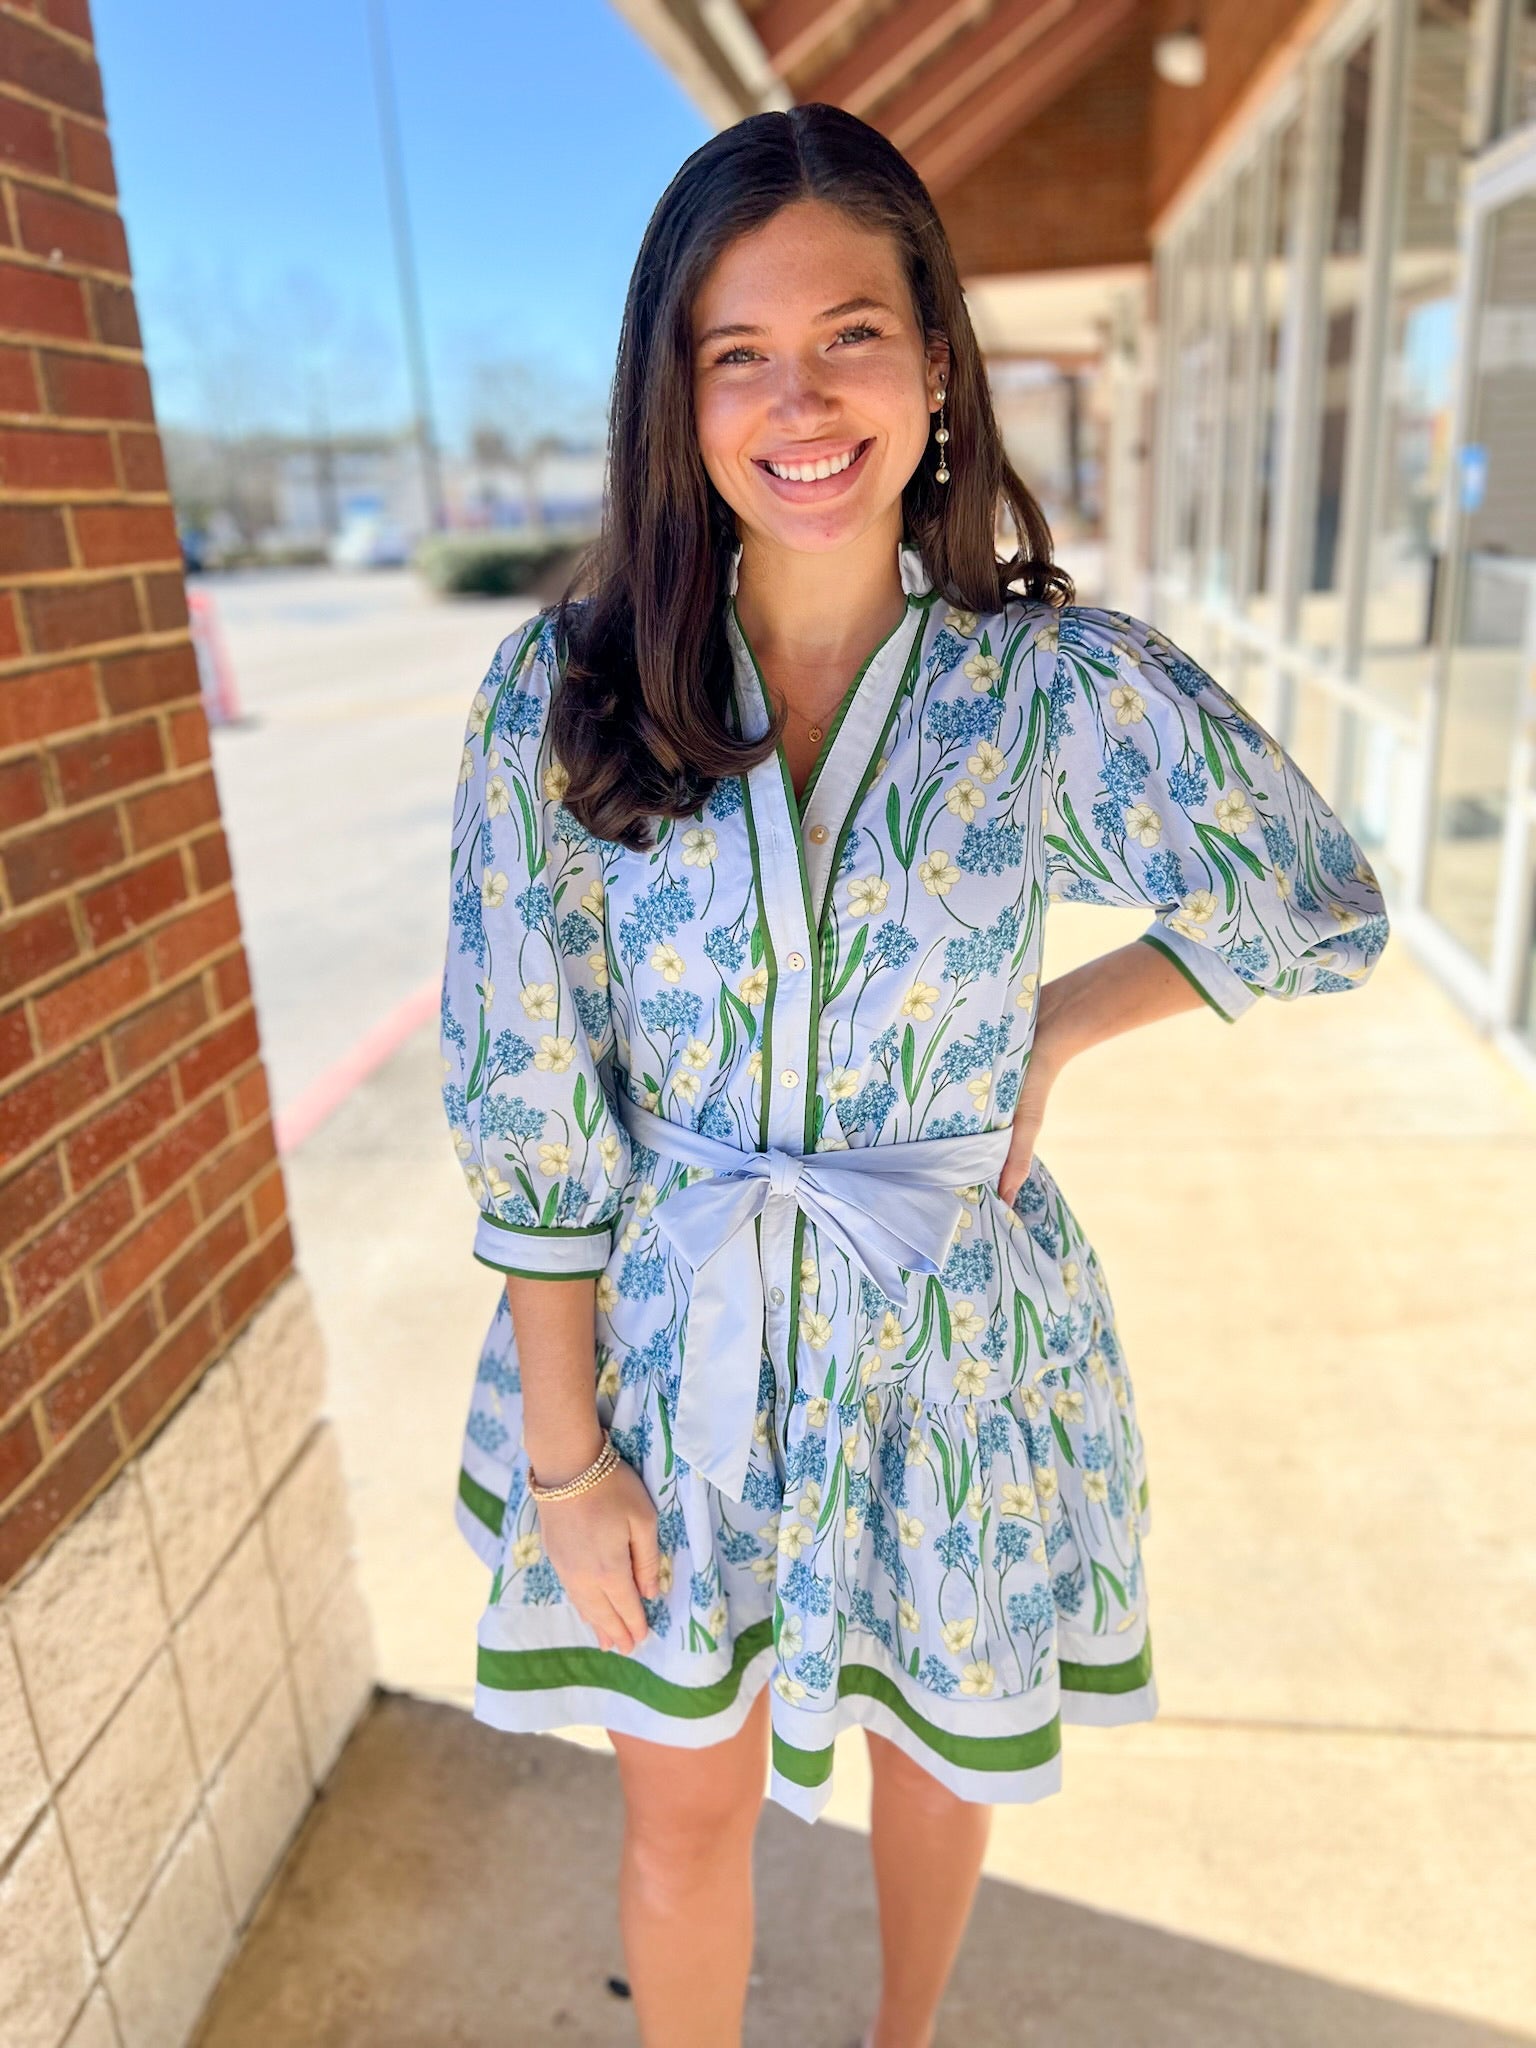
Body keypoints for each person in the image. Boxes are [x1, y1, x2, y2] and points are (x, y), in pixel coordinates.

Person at [438, 102, 1389, 2048]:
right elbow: (533, 1102)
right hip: (663, 1359)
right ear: (676, 392)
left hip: (951, 1344)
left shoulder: (1049, 695)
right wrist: (566, 1455)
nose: (802, 397)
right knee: (684, 1809)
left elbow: (1316, 897)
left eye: (852, 333)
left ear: (936, 359)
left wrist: (1063, 1017)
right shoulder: (567, 695)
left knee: (934, 1762)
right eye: (739, 351)